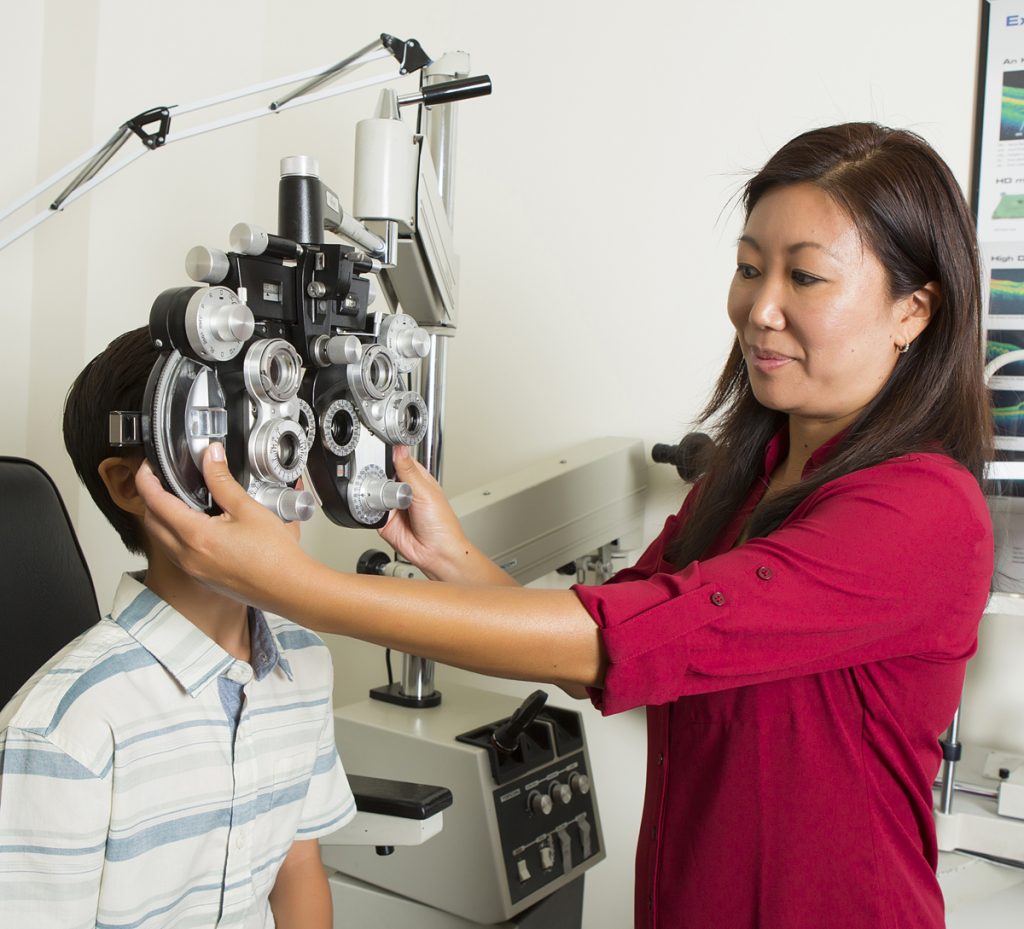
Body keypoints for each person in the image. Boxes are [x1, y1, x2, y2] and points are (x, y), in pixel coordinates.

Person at [135, 122, 994, 929]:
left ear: (913, 311)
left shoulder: (924, 512)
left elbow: (616, 640)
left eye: (804, 277)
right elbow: (614, 648)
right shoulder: (745, 480)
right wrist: (451, 554)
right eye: (747, 267)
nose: (759, 309)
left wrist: (296, 588)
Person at [0, 327, 356, 929]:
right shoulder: (68, 729)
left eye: (275, 422)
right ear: (125, 484)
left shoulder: (306, 662)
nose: (272, 457)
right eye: (221, 433)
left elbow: (296, 873)